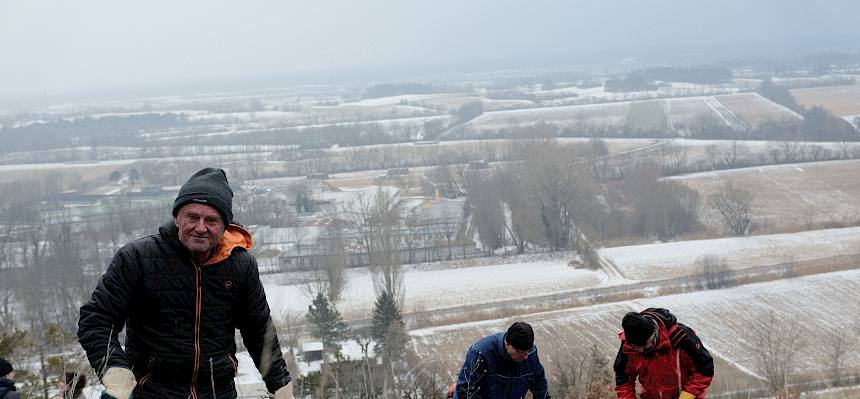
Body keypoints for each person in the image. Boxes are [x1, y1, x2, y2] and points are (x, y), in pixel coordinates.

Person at [77, 167, 293, 399]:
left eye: (211, 220)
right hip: (151, 391)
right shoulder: (138, 259)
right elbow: (96, 319)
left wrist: (279, 384)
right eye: (192, 217)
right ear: (178, 218)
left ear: (225, 226)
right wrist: (114, 371)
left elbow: (259, 330)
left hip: (217, 391)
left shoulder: (240, 266)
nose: (201, 227)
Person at [613, 308, 714, 399]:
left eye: (644, 345)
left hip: (687, 395)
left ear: (653, 333)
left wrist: (687, 396)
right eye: (636, 347)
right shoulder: (629, 346)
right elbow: (623, 380)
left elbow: (705, 370)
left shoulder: (681, 338)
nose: (640, 350)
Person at [453, 321, 550, 399]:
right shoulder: (481, 353)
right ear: (508, 344)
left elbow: (540, 385)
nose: (526, 357)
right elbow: (466, 392)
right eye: (521, 353)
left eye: (527, 352)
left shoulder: (531, 354)